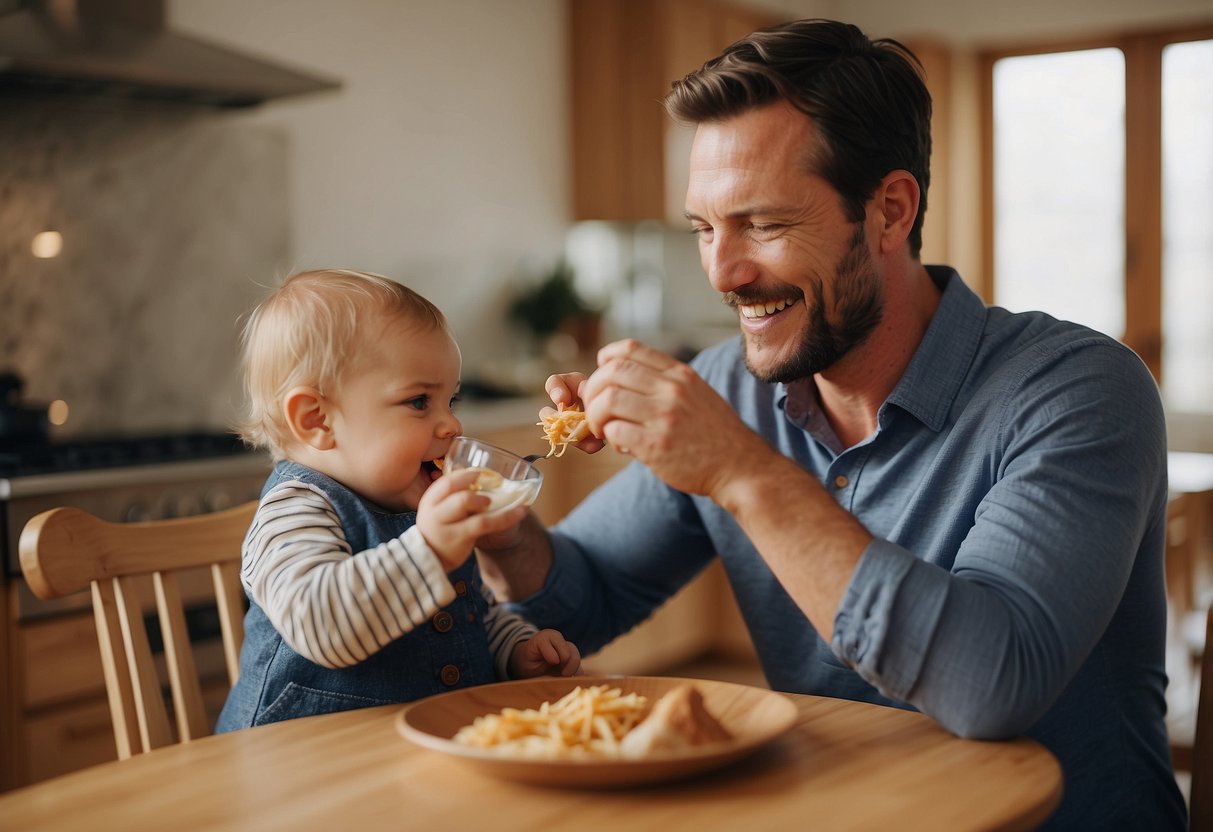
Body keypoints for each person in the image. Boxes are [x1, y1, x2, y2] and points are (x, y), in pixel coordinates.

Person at [474, 19, 1185, 829]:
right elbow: (580, 599)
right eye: (704, 228)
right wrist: (499, 524)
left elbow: (992, 684)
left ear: (888, 211)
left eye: (764, 224)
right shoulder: (728, 389)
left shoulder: (1076, 389)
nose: (722, 272)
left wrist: (739, 472)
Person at [216, 269, 580, 732]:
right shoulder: (294, 511)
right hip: (298, 773)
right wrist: (428, 551)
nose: (452, 427)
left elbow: (469, 615)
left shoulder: (414, 505)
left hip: (404, 761)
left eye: (453, 401)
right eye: (419, 403)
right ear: (317, 421)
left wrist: (516, 650)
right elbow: (323, 626)